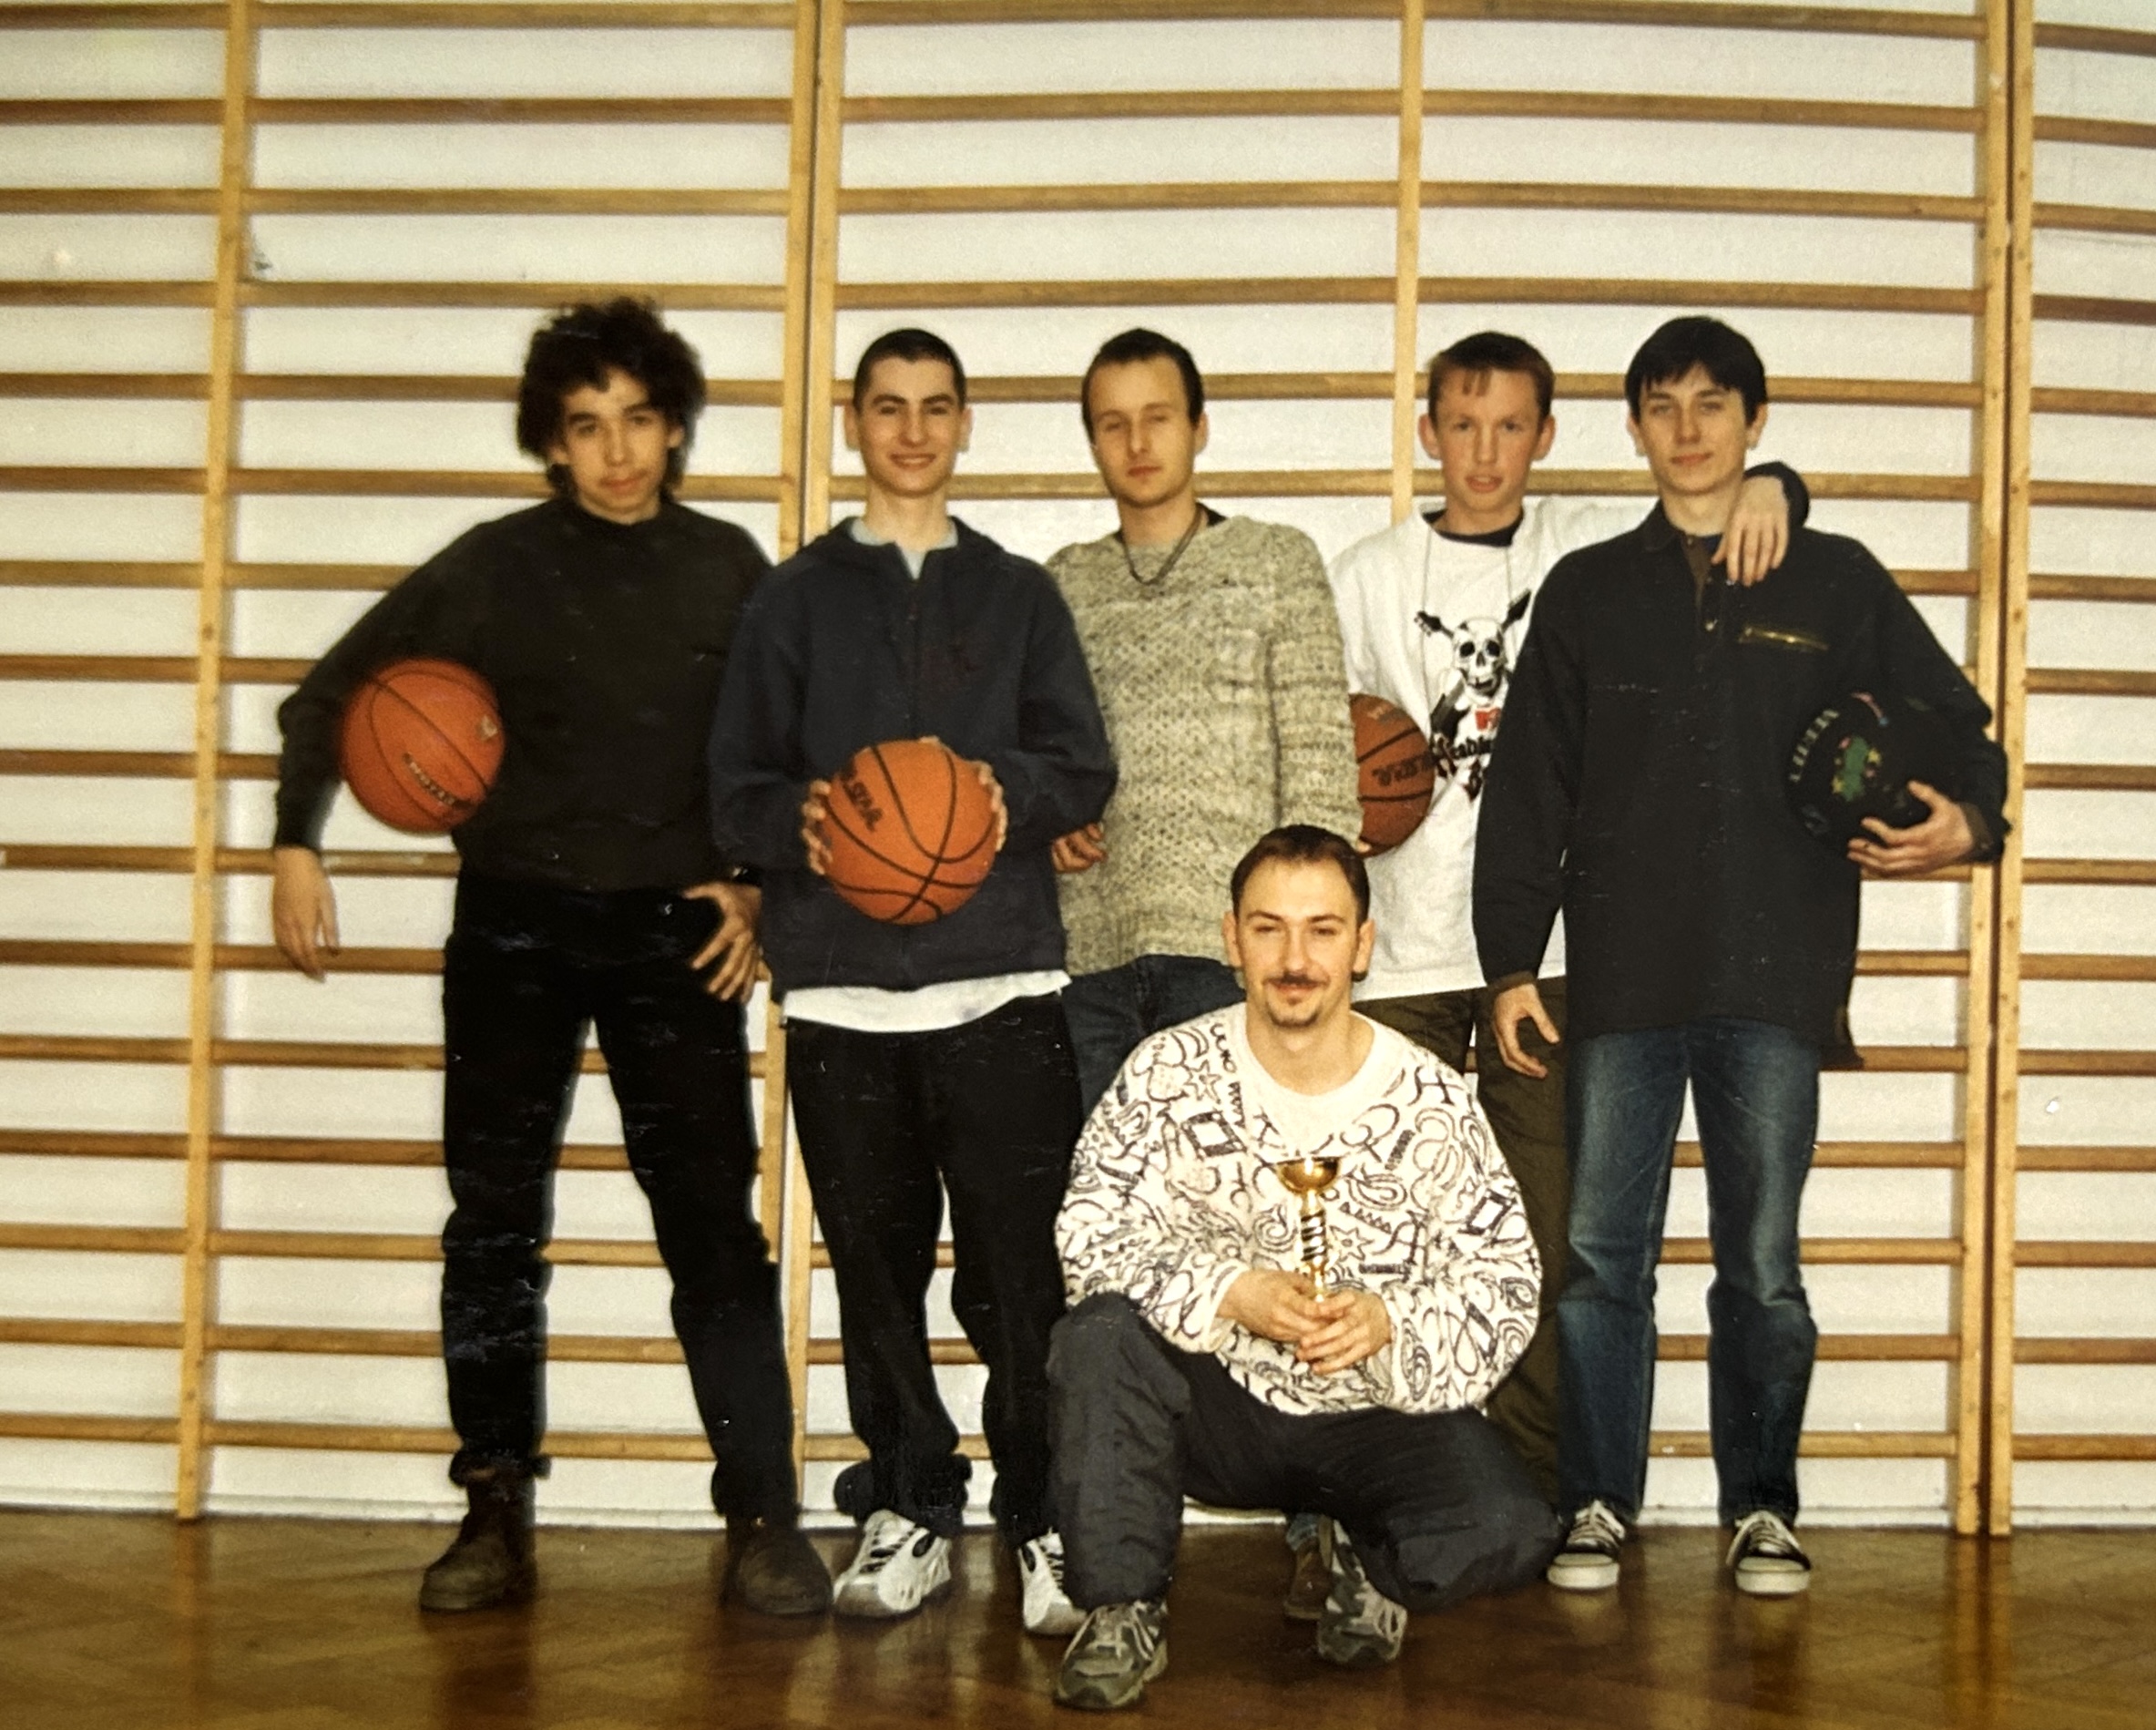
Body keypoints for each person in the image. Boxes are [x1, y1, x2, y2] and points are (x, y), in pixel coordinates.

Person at [270, 299, 824, 1617]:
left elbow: (793, 753)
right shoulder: (494, 565)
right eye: (586, 426)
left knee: (713, 1229)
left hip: (671, 933)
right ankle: (492, 1507)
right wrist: (296, 842)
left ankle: (762, 1514)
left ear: (675, 427)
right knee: (492, 1226)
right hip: (514, 921)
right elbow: (329, 694)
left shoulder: (727, 567)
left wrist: (758, 887)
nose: (616, 451)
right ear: (552, 442)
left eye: (638, 419)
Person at [1475, 315, 2009, 1598]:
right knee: (1600, 1262)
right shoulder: (1589, 589)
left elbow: (1958, 725)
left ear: (1753, 421)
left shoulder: (1832, 579)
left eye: (1712, 404)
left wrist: (1969, 820)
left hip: (1773, 981)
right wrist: (1508, 962)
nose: (1688, 429)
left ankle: (1760, 1505)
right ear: (1632, 428)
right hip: (1620, 983)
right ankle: (1595, 1501)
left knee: (1759, 1268)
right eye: (1661, 406)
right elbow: (1528, 786)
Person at [1331, 330, 1806, 1510]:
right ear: (1426, 432)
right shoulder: (1367, 575)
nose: (1483, 451)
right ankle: (1363, 1495)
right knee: (1377, 1232)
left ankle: (1533, 1489)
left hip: (1542, 960)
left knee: (1547, 1241)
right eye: (1460, 424)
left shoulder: (1584, 545)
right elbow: (1322, 746)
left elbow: (1705, 496)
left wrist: (1775, 485)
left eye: (1510, 426)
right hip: (1397, 953)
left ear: (1545, 437)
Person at [709, 328, 1116, 1633]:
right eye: (887, 407)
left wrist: (1007, 792)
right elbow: (734, 785)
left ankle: (1040, 1513)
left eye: (936, 407)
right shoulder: (791, 598)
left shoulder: (1017, 594)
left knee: (1022, 1278)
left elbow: (1083, 764)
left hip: (1000, 984)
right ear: (854, 423)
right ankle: (909, 1502)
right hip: (839, 991)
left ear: (965, 422)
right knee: (874, 1279)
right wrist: (795, 824)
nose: (912, 431)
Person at [1047, 825, 1555, 1711]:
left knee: (1509, 1527)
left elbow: (1503, 1279)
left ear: (1362, 944)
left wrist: (1389, 1321)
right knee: (1096, 1337)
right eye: (1268, 928)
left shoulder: (1430, 1097)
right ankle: (1121, 1606)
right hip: (1218, 1404)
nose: (1294, 959)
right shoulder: (1166, 1072)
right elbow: (1088, 1232)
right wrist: (1230, 1292)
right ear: (1231, 939)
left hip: (1372, 1413)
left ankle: (1367, 1557)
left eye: (1322, 930)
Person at [1047, 328, 1362, 1117]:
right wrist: (1046, 819)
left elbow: (1320, 765)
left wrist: (1297, 948)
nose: (1137, 442)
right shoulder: (1060, 584)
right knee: (1107, 1191)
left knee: (1241, 1187)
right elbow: (1032, 761)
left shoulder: (1275, 562)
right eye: (1113, 424)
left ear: (1198, 426)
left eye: (1157, 417)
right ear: (1092, 441)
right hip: (1093, 961)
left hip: (1235, 958)